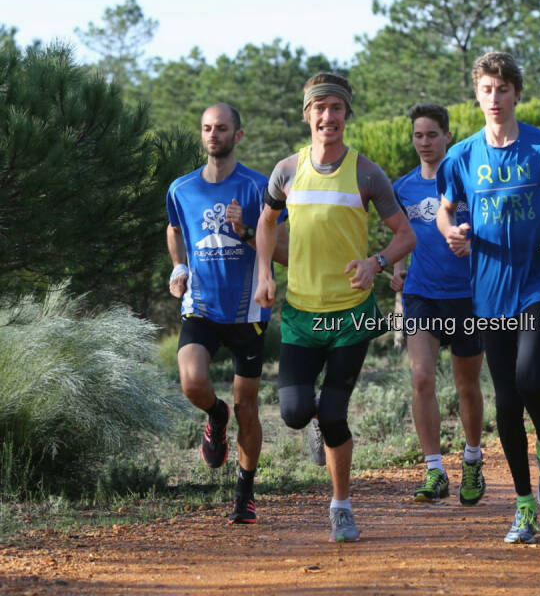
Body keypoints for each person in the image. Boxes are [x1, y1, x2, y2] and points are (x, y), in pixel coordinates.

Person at [436, 51, 540, 544]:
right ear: (477, 94)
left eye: (503, 89)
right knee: (505, 398)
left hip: (538, 281)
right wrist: (452, 234)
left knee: (529, 376)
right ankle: (524, 505)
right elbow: (444, 212)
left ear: (516, 93)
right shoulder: (461, 156)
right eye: (486, 89)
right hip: (487, 288)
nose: (495, 98)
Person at [253, 73, 416, 543]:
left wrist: (378, 262)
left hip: (351, 314)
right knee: (294, 413)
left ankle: (340, 505)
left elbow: (406, 234)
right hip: (303, 314)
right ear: (307, 115)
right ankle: (315, 426)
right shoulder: (286, 171)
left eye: (337, 109)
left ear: (347, 115)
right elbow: (266, 224)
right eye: (319, 108)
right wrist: (265, 273)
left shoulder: (367, 173)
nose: (328, 117)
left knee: (334, 414)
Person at [166, 102, 287, 525]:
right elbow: (174, 228)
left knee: (248, 408)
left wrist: (248, 232)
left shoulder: (259, 188)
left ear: (238, 136)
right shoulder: (181, 188)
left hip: (248, 310)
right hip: (200, 306)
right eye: (206, 128)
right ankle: (214, 416)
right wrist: (179, 266)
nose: (212, 134)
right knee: (193, 382)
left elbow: (285, 251)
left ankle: (245, 494)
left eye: (221, 128)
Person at [391, 103, 486, 505]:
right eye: (418, 135)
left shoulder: (468, 181)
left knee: (466, 385)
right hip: (421, 294)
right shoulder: (403, 187)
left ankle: (472, 459)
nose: (425, 142)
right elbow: (399, 232)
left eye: (432, 134)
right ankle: (433, 470)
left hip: (468, 296)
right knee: (421, 379)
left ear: (448, 136)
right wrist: (396, 269)